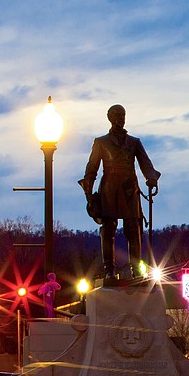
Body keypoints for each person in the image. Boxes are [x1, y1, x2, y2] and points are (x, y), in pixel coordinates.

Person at [80, 104, 161, 279]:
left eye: (123, 115)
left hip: (129, 188)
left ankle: (136, 269)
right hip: (110, 187)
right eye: (117, 115)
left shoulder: (134, 142)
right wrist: (89, 194)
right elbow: (91, 169)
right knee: (108, 228)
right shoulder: (101, 142)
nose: (121, 118)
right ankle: (109, 269)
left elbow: (145, 162)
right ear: (110, 117)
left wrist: (151, 177)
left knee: (133, 227)